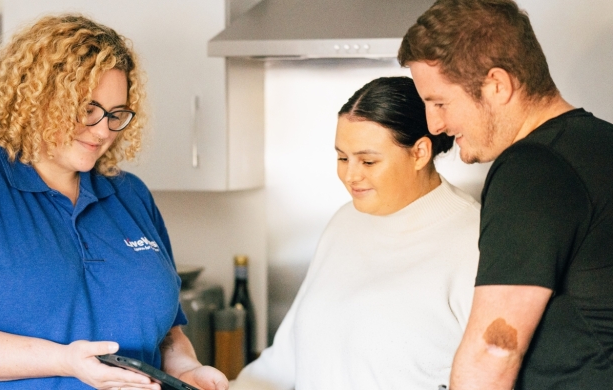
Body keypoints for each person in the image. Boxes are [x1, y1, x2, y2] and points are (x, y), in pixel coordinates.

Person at [0, 15, 228, 390]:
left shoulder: (129, 195)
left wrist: (186, 369)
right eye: (87, 109)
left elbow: (166, 333)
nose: (103, 131)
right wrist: (65, 361)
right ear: (36, 98)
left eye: (116, 114)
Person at [399, 0, 613, 388]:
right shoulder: (601, 144)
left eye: (440, 102)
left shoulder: (532, 169)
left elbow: (493, 353)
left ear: (497, 84)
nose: (434, 124)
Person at [230, 77, 481, 389]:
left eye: (368, 160)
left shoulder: (473, 240)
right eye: (342, 157)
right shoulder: (344, 222)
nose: (350, 175)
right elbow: (287, 357)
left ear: (420, 152)